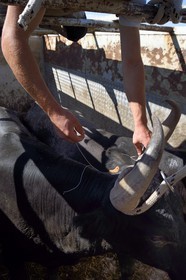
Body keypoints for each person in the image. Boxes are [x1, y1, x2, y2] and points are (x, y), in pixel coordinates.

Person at [1, 0, 182, 155]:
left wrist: (140, 123)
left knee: (77, 32)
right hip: (43, 8)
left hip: (68, 10)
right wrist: (53, 111)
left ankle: (68, 12)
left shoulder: (131, 2)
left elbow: (132, 61)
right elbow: (12, 39)